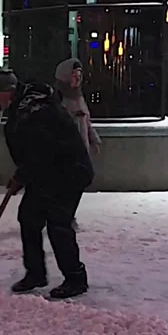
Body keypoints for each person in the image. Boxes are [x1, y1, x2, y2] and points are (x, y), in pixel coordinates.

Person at [0, 68, 94, 299]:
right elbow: (30, 153)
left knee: (58, 225)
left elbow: (42, 150)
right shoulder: (22, 108)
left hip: (67, 173)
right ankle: (36, 273)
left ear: (9, 91)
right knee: (29, 217)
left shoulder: (38, 110)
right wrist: (24, 174)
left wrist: (21, 176)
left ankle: (75, 278)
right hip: (44, 174)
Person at [55, 58, 101, 230]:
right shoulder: (58, 99)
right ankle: (63, 216)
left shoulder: (79, 98)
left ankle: (67, 215)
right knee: (67, 184)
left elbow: (87, 122)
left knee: (78, 182)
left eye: (79, 75)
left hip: (81, 149)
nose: (77, 79)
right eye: (74, 75)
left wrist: (93, 139)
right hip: (66, 151)